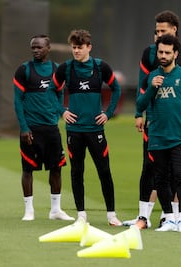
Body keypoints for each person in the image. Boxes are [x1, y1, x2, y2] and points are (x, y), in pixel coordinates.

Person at [123, 10, 181, 229]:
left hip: (179, 124)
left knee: (179, 172)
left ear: (174, 30)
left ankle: (173, 217)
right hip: (154, 123)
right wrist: (139, 114)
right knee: (149, 168)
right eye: (156, 31)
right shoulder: (149, 53)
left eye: (162, 31)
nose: (157, 35)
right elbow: (143, 83)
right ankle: (143, 217)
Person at [48, 29, 123, 226]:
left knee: (104, 171)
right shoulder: (65, 68)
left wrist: (108, 113)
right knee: (76, 172)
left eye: (80, 48)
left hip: (96, 131)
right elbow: (51, 90)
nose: (76, 51)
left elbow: (116, 88)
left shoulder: (101, 67)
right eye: (73, 48)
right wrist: (62, 111)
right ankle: (81, 215)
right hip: (74, 131)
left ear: (89, 47)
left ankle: (111, 215)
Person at [136, 34, 181, 232]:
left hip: (180, 137)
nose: (162, 55)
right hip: (157, 138)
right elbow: (140, 105)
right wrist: (150, 88)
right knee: (160, 179)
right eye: (160, 52)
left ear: (175, 54)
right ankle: (170, 219)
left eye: (167, 52)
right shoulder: (150, 78)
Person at [13, 34, 75, 221]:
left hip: (51, 128)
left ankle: (55, 210)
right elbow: (17, 101)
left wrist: (56, 116)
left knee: (56, 168)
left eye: (39, 47)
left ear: (48, 48)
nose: (36, 50)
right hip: (31, 129)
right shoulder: (24, 70)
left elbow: (59, 95)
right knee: (28, 169)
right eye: (33, 47)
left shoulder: (57, 70)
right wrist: (24, 128)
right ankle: (29, 210)